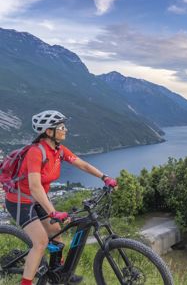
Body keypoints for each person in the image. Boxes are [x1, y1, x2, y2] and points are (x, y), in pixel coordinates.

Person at [4, 110, 118, 285]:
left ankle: (59, 275)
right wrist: (52, 212)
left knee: (57, 235)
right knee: (41, 242)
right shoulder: (36, 152)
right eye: (62, 127)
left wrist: (104, 177)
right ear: (49, 131)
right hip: (21, 201)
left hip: (39, 198)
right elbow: (34, 187)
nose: (66, 130)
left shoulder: (58, 150)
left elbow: (82, 164)